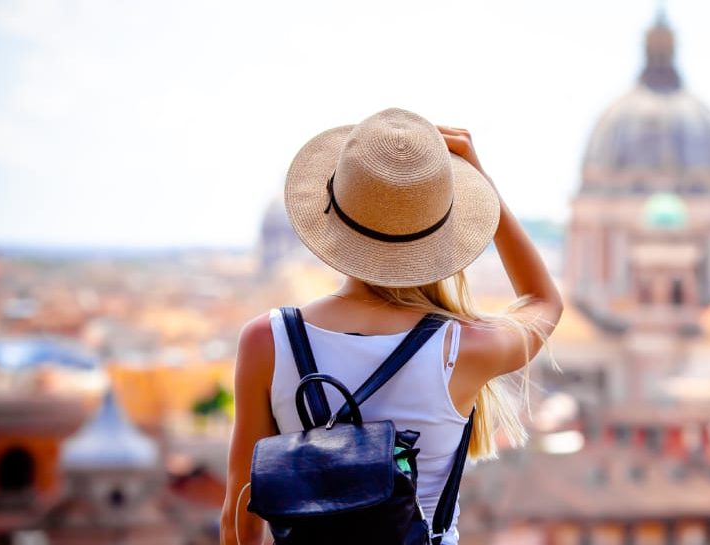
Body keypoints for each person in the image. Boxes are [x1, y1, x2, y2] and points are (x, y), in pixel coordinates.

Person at [220, 108, 563, 545]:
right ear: (444, 230)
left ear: (334, 217)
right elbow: (542, 301)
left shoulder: (267, 340)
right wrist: (485, 188)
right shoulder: (463, 348)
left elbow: (238, 518)